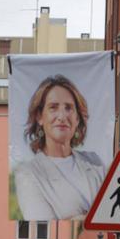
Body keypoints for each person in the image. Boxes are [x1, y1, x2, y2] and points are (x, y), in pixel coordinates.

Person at [13, 75, 105, 220]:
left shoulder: (95, 163)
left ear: (77, 118)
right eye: (53, 108)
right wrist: (97, 217)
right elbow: (44, 223)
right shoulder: (27, 173)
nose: (62, 116)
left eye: (69, 108)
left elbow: (113, 215)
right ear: (40, 117)